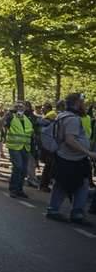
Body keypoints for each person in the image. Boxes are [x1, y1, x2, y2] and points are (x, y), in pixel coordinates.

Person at [46, 93, 95, 224]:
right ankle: (75, 213)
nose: (84, 105)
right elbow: (70, 140)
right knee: (71, 184)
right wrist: (88, 153)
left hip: (67, 157)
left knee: (66, 183)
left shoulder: (62, 115)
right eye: (82, 102)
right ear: (77, 103)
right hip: (71, 158)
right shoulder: (72, 119)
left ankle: (55, 209)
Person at [1, 101, 33, 198]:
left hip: (25, 147)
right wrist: (6, 114)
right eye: (17, 106)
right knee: (18, 167)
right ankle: (13, 189)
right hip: (14, 147)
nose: (20, 108)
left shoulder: (27, 119)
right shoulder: (11, 117)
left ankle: (19, 189)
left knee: (24, 169)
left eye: (22, 106)